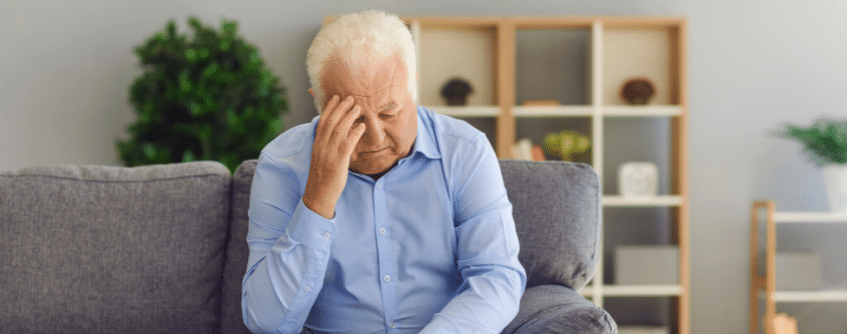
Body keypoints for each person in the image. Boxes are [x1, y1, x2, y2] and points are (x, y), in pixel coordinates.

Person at [241, 10, 526, 334]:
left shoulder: (465, 151)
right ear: (320, 105)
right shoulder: (283, 165)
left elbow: (497, 278)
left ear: (412, 88)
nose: (375, 138)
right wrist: (318, 198)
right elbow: (265, 322)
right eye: (355, 119)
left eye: (389, 113)